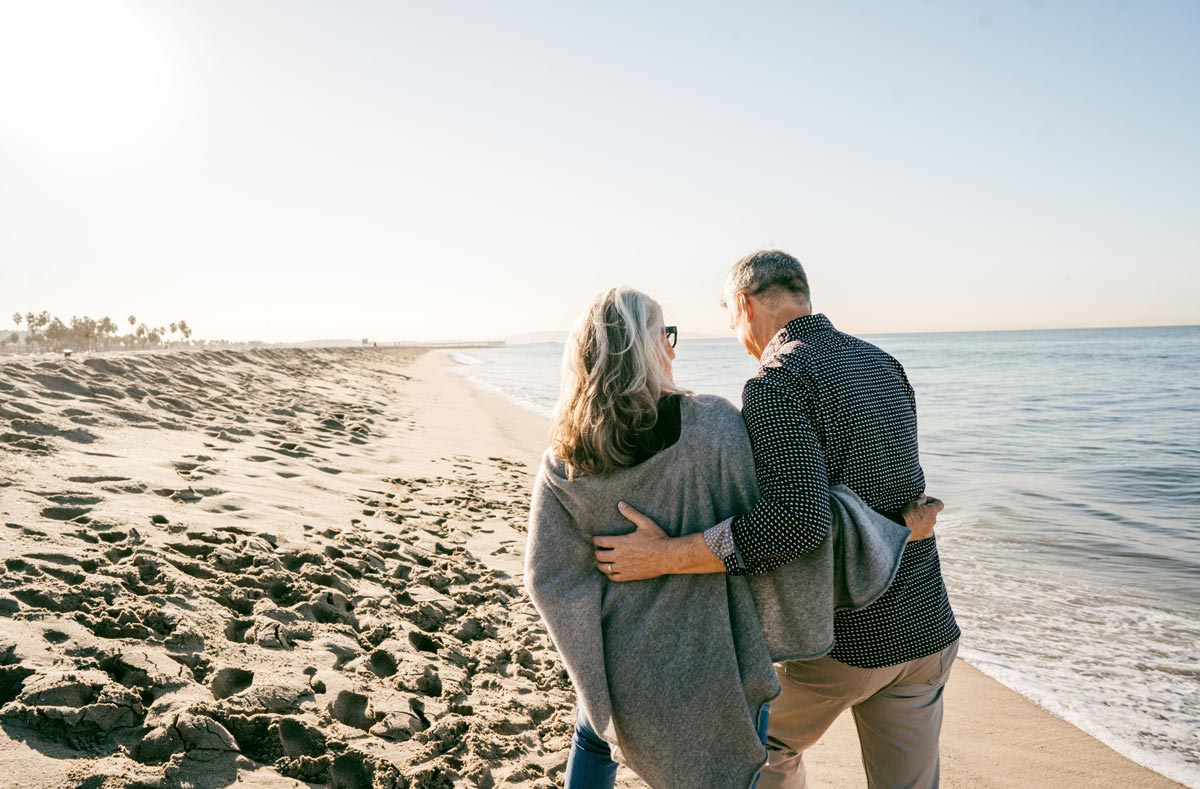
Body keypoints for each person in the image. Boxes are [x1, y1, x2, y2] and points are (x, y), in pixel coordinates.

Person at [525, 286, 939, 789]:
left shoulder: (564, 458)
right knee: (749, 760)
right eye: (667, 336)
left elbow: (549, 579)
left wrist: (594, 673)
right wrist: (895, 527)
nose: (673, 349)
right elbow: (793, 522)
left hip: (621, 665)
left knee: (593, 733)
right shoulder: (716, 426)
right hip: (720, 658)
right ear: (648, 348)